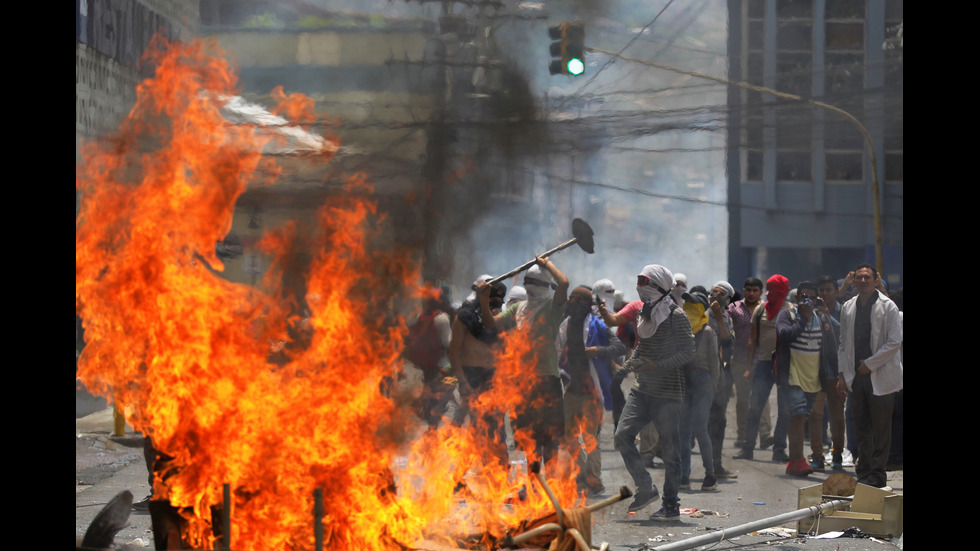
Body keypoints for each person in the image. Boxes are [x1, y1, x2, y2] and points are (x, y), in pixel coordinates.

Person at [602, 265, 694, 519]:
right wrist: (623, 371)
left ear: (658, 287)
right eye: (639, 283)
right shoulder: (645, 313)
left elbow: (688, 352)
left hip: (668, 393)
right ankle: (645, 487)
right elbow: (642, 348)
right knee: (622, 436)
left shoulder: (676, 316)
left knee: (670, 451)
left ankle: (671, 504)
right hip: (642, 390)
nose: (639, 288)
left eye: (645, 283)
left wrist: (658, 365)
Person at [478, 256, 569, 465]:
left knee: (550, 442)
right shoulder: (518, 309)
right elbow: (491, 323)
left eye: (536, 283)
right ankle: (535, 488)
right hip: (523, 383)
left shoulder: (553, 307)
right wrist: (484, 300)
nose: (531, 287)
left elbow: (564, 283)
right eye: (528, 282)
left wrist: (547, 264)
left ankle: (552, 487)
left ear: (546, 285)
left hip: (547, 381)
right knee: (530, 443)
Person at [837, 264, 903, 489]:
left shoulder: (888, 307)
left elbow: (894, 342)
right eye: (859, 278)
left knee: (881, 428)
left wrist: (871, 364)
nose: (863, 281)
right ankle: (864, 471)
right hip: (856, 377)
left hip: (881, 375)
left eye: (867, 277)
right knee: (861, 425)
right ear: (853, 281)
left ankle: (877, 473)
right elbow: (843, 343)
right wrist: (842, 375)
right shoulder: (848, 307)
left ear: (876, 280)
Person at [558, 285, 626, 495]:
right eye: (574, 300)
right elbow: (558, 353)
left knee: (590, 437)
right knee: (568, 437)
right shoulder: (565, 326)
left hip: (592, 392)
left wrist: (597, 351)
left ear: (589, 306)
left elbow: (619, 348)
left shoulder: (599, 326)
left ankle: (593, 479)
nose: (575, 305)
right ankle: (580, 475)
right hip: (571, 390)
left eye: (581, 302)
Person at [776, 281, 838, 476]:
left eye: (812, 297)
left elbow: (833, 339)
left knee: (804, 417)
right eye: (804, 297)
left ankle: (795, 461)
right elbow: (785, 335)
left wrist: (825, 313)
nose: (808, 301)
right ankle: (797, 460)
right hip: (793, 377)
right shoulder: (788, 315)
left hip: (813, 378)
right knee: (798, 416)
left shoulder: (821, 317)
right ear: (797, 298)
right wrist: (802, 319)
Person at [449, 275, 509, 465]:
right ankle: (458, 479)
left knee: (497, 429)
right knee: (476, 431)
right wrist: (463, 381)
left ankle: (501, 475)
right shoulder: (465, 317)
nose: (496, 304)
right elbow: (453, 352)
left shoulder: (499, 317)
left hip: (494, 379)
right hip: (472, 377)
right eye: (492, 298)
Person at [734, 274, 791, 463]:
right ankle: (748, 447)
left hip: (784, 366)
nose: (772, 294)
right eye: (770, 290)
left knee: (785, 409)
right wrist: (749, 367)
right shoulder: (761, 310)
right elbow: (753, 339)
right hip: (764, 364)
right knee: (754, 407)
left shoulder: (790, 310)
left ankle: (779, 449)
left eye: (777, 291)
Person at [677, 290, 720, 491]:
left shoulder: (708, 331)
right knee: (683, 431)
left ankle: (710, 474)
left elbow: (714, 363)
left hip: (703, 382)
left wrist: (714, 387)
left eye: (693, 304)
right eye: (687, 303)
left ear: (701, 309)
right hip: (684, 382)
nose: (688, 308)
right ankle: (684, 476)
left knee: (700, 430)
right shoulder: (680, 329)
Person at [727, 277, 773, 453]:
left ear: (761, 292)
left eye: (755, 290)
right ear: (744, 291)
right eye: (748, 290)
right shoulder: (734, 309)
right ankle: (742, 435)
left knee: (762, 399)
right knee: (743, 400)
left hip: (761, 360)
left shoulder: (767, 309)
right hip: (739, 360)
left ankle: (765, 434)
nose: (751, 293)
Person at [807, 275, 845, 471]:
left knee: (837, 416)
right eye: (821, 290)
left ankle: (837, 453)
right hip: (817, 371)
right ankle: (817, 455)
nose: (824, 294)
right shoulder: (812, 312)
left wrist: (828, 317)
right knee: (815, 414)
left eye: (828, 290)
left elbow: (846, 334)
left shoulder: (844, 310)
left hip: (837, 372)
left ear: (835, 291)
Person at [706, 281, 739, 480]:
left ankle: (715, 465)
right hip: (698, 374)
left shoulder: (726, 318)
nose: (716, 296)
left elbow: (727, 340)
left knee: (718, 421)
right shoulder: (698, 312)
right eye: (714, 292)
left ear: (727, 300)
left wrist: (718, 317)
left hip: (720, 374)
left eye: (721, 294)